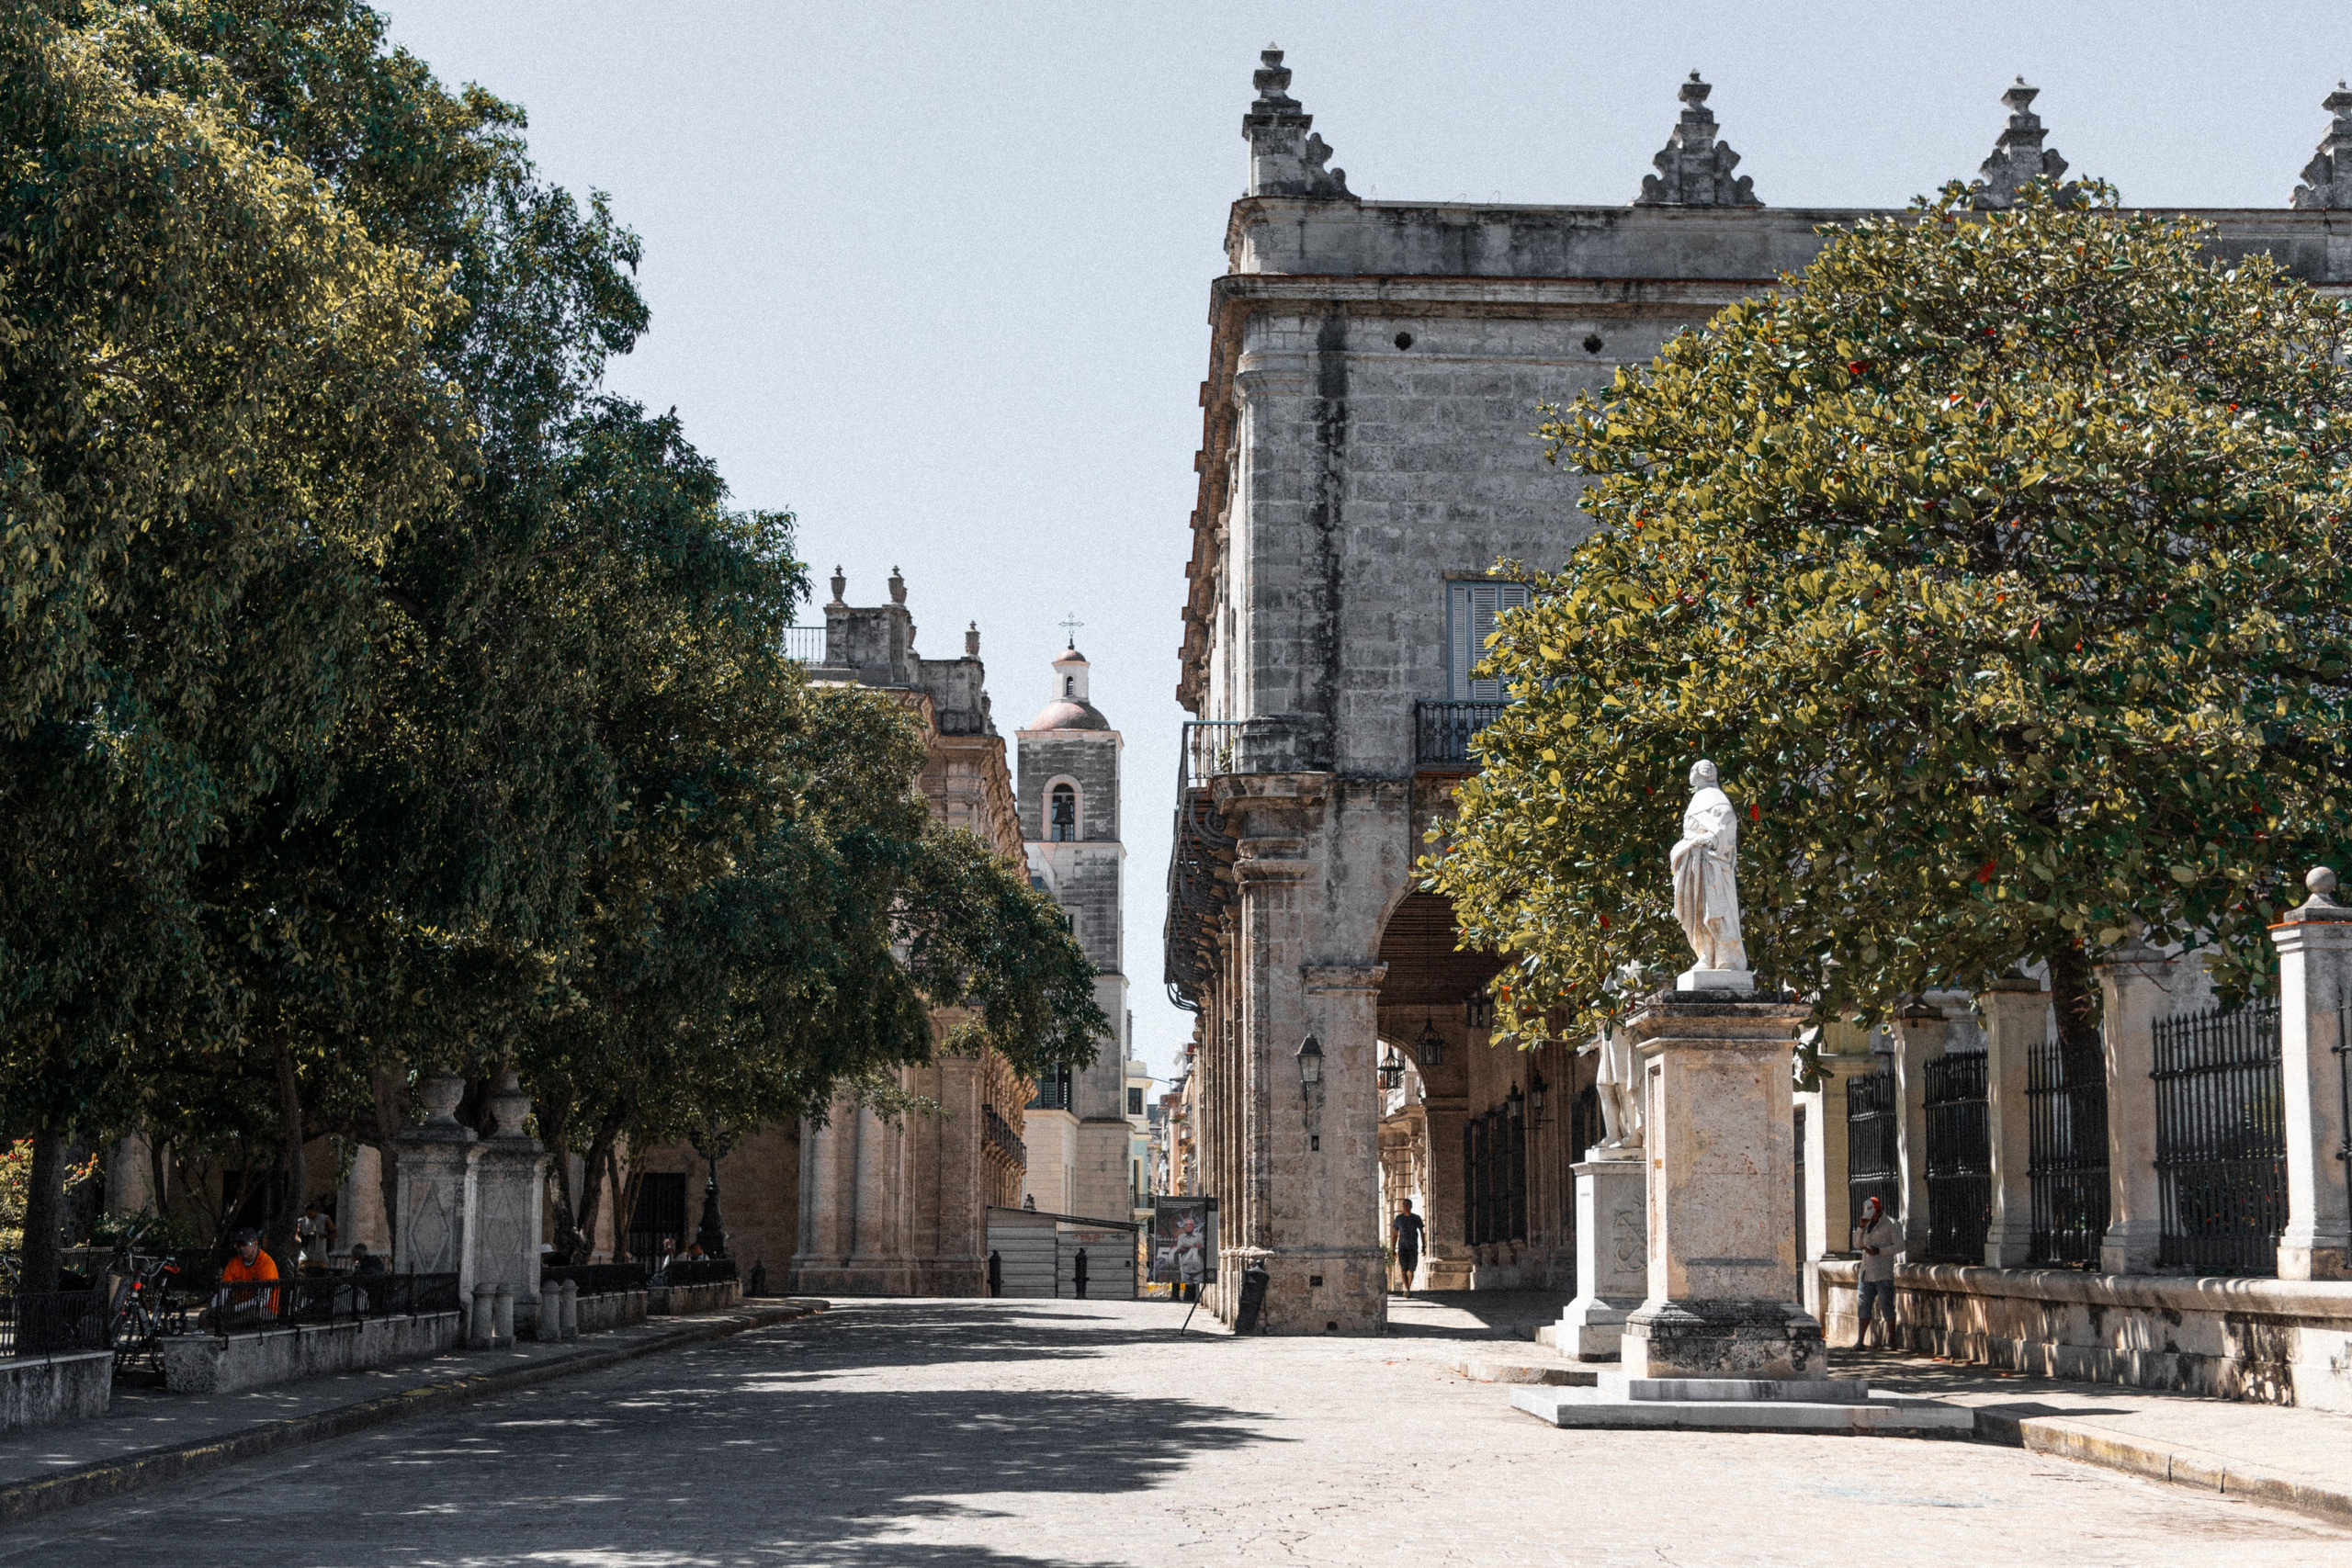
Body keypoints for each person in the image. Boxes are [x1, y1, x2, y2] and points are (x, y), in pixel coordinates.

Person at [1851, 1195, 1902, 1348]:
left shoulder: (1891, 1224)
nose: (1870, 1218)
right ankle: (1860, 1341)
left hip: (1883, 1271)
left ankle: (1891, 1340)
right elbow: (1856, 1243)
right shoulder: (1866, 1225)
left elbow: (1899, 1246)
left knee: (1887, 1305)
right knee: (1863, 1305)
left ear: (1878, 1211)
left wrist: (1880, 1251)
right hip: (1866, 1272)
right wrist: (1860, 1228)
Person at [214, 1228, 280, 1328]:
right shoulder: (234, 1264)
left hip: (265, 1309)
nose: (241, 1248)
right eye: (239, 1245)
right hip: (239, 1308)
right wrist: (217, 1307)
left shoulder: (266, 1264)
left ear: (255, 1244)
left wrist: (235, 1308)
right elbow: (224, 1291)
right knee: (207, 1315)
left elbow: (262, 1300)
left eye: (245, 1244)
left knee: (246, 1316)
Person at [1391, 1200, 1426, 1297]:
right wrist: (1393, 1249)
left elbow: (1422, 1233)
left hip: (1413, 1247)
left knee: (1411, 1270)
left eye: (1407, 1205)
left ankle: (1408, 1288)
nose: (1405, 1207)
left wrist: (1424, 1246)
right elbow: (1395, 1234)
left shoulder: (1416, 1218)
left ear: (1411, 1206)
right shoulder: (1399, 1219)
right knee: (1404, 1269)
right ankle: (1407, 1289)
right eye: (1404, 1205)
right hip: (1402, 1247)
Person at [296, 1200, 336, 1269]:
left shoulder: (324, 1219)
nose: (308, 1215)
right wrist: (302, 1241)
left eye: (310, 1213)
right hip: (305, 1256)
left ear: (315, 1211)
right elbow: (296, 1235)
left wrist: (321, 1236)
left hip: (320, 1256)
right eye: (307, 1213)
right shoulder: (302, 1221)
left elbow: (335, 1234)